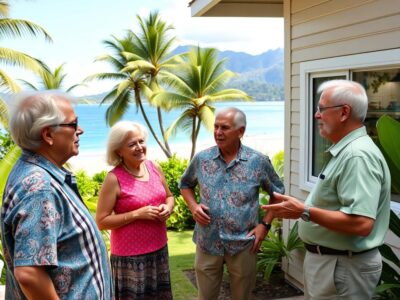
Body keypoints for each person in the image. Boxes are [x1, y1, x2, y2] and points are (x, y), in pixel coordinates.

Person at [263, 79, 391, 300]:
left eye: (321, 109)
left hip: (342, 267)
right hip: (334, 265)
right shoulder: (346, 151)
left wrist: (303, 211)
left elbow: (362, 223)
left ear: (343, 113)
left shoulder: (356, 156)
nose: (316, 115)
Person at [1, 91, 113, 299]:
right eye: (73, 124)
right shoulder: (39, 187)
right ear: (48, 135)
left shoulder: (37, 174)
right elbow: (29, 273)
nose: (81, 130)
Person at [179, 107, 284, 300]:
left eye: (225, 128)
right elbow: (185, 184)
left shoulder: (258, 161)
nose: (218, 132)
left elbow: (278, 192)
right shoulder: (202, 159)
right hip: (207, 241)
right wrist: (193, 206)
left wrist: (265, 225)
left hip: (243, 243)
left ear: (241, 131)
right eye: (216, 127)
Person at [96, 121, 174, 300]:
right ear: (118, 151)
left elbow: (169, 197)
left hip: (159, 251)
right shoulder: (113, 178)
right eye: (132, 144)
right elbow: (101, 221)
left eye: (141, 141)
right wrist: (137, 214)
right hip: (130, 259)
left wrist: (168, 208)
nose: (139, 147)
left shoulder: (154, 168)